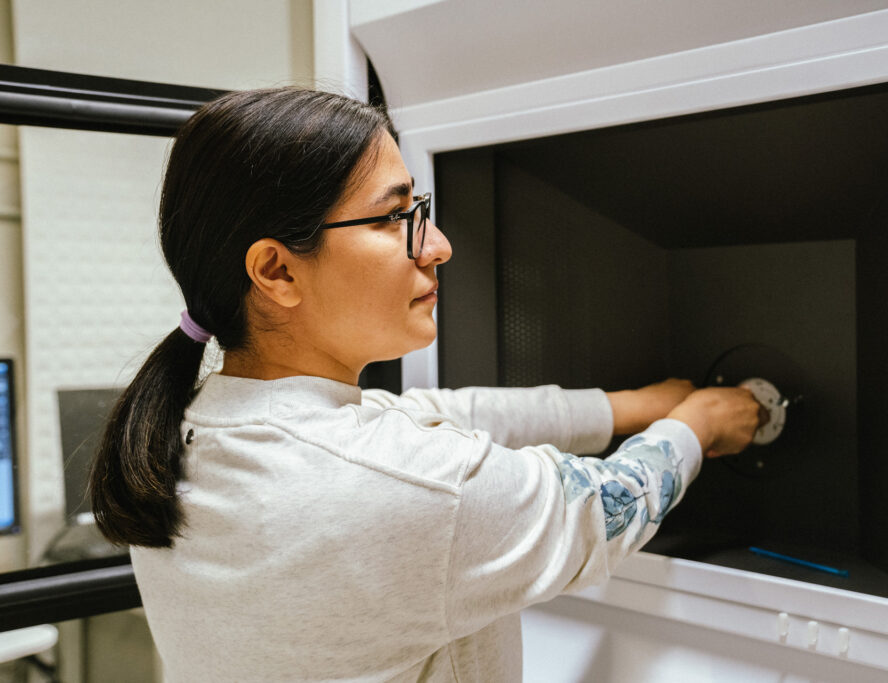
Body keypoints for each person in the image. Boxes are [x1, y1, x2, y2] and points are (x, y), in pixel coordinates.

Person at [90, 88, 762, 683]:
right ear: (278, 271)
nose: (436, 244)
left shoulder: (186, 429)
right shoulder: (399, 489)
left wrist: (627, 407)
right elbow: (604, 508)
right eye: (391, 217)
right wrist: (701, 423)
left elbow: (436, 413)